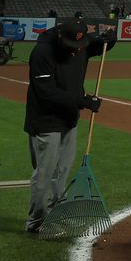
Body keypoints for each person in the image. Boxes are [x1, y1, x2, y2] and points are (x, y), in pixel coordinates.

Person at [22, 19, 116, 234]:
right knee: (44, 175)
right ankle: (36, 222)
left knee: (61, 172)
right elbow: (46, 93)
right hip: (46, 121)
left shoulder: (81, 44)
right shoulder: (42, 53)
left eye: (79, 48)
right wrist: (83, 101)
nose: (76, 52)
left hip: (68, 120)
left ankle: (55, 214)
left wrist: (111, 41)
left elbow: (99, 45)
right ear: (60, 37)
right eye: (71, 47)